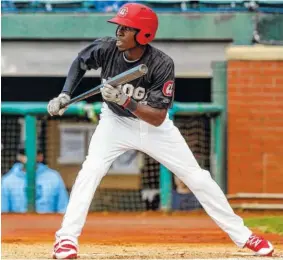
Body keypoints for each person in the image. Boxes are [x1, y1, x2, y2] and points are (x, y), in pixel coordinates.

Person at [47, 3, 274, 259]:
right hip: (114, 123)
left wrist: (125, 100)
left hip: (154, 127)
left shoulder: (161, 64)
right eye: (119, 27)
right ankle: (66, 240)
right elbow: (80, 62)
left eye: (126, 28)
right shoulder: (106, 48)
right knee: (90, 171)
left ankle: (245, 236)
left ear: (143, 35)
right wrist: (65, 94)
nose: (119, 32)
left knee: (197, 178)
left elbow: (157, 118)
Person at [1, 147, 69, 214]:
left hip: (48, 224)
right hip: (17, 224)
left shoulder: (54, 177)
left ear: (40, 157)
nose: (28, 158)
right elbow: (3, 213)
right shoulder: (8, 180)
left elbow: (63, 209)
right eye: (23, 154)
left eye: (35, 154)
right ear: (19, 157)